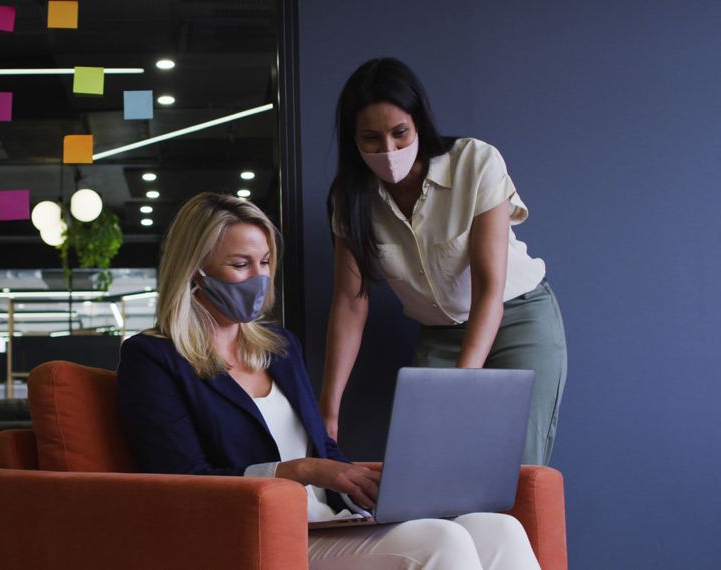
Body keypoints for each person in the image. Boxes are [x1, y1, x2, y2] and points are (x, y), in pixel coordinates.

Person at [117, 192, 541, 569]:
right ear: (195, 272)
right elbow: (180, 479)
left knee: (496, 528)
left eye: (265, 263)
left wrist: (369, 483)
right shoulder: (153, 359)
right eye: (240, 265)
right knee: (440, 540)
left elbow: (322, 448)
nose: (259, 278)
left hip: (331, 520)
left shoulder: (278, 347)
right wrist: (299, 471)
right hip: (259, 533)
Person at [320, 58, 567, 465]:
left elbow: (489, 289)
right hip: (440, 334)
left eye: (400, 134)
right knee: (431, 467)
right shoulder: (349, 199)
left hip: (515, 318)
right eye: (371, 139)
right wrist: (329, 408)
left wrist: (461, 384)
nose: (389, 151)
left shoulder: (475, 162)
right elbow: (350, 301)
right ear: (353, 140)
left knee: (516, 464)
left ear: (418, 122)